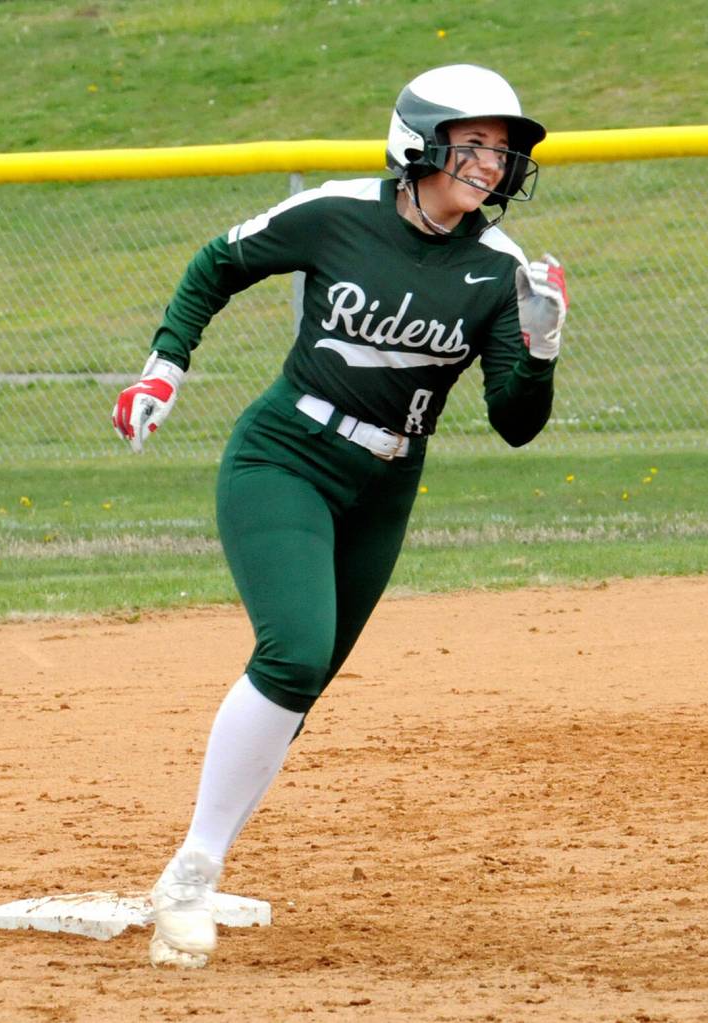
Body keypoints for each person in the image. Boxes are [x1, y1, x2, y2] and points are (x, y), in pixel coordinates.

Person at [112, 63, 569, 969]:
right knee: (293, 651)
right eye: (472, 142)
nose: (491, 162)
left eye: (503, 148)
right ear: (417, 143)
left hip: (384, 485)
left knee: (301, 683)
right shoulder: (335, 213)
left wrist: (542, 346)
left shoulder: (499, 271)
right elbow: (217, 264)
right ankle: (194, 876)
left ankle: (188, 872)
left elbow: (515, 424)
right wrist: (166, 365)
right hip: (284, 454)